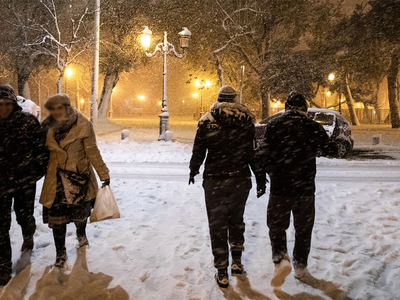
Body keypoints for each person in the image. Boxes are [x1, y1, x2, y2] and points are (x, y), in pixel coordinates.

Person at [189, 85, 266, 288]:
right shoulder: (246, 121)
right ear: (235, 100)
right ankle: (237, 262)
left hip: (214, 179)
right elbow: (253, 152)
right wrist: (259, 177)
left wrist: (194, 169)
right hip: (240, 179)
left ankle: (221, 270)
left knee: (217, 224)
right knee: (236, 220)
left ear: (219, 98)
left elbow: (199, 150)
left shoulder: (207, 121)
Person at [258, 92, 338, 287]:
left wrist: (270, 173)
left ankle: (280, 259)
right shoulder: (312, 127)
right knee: (303, 229)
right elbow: (331, 150)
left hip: (280, 188)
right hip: (305, 189)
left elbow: (262, 153)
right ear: (304, 109)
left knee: (277, 226)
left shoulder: (274, 125)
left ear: (286, 108)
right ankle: (300, 267)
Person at [40, 93, 110, 268]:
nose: (56, 112)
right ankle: (60, 253)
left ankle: (81, 233)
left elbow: (92, 152)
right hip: (55, 180)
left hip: (78, 178)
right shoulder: (46, 126)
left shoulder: (83, 124)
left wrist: (104, 174)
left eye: (60, 108)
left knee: (80, 216)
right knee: (57, 219)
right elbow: (38, 152)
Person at [0, 85, 48, 286]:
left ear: (14, 104)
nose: (3, 108)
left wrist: (35, 174)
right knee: (1, 226)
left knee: (23, 215)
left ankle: (28, 233)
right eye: (0, 104)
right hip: (1, 184)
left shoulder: (28, 122)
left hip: (24, 181)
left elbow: (41, 150)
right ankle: (3, 267)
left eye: (6, 104)